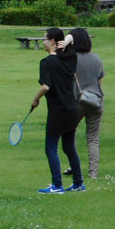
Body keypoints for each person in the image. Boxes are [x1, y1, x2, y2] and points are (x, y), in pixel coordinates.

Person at [31, 29, 84, 193]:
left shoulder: (46, 63)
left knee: (51, 147)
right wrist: (67, 42)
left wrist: (35, 99)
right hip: (73, 110)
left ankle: (57, 186)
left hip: (58, 111)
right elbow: (76, 33)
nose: (42, 42)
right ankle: (78, 184)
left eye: (44, 39)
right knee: (69, 147)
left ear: (53, 41)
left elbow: (46, 86)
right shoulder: (70, 59)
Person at [67, 27, 104, 179]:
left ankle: (74, 167)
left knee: (70, 134)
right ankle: (93, 173)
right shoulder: (96, 58)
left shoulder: (71, 59)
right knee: (93, 138)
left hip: (77, 101)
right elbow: (100, 80)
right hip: (96, 101)